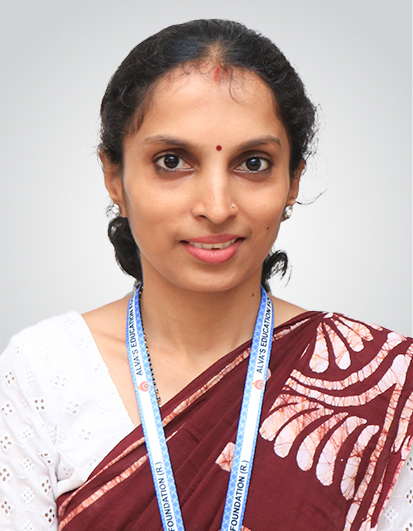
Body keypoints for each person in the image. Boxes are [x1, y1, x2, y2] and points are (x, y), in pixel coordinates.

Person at [1, 19, 412, 531]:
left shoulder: (384, 381)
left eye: (253, 163)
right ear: (114, 177)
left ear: (293, 180)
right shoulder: (43, 370)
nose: (217, 207)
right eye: (172, 161)